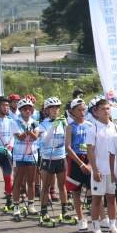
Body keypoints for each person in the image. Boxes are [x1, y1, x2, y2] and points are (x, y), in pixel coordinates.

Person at [87, 98, 117, 233]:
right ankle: (96, 227)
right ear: (96, 111)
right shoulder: (93, 127)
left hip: (112, 170)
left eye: (108, 108)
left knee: (112, 198)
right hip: (99, 170)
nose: (106, 111)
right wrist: (95, 170)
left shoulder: (116, 127)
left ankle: (112, 225)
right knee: (97, 199)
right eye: (103, 109)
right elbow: (90, 150)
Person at [63, 98, 96, 231]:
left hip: (89, 160)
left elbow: (94, 146)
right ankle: (81, 219)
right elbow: (68, 147)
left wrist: (90, 164)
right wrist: (81, 164)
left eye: (84, 109)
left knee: (94, 191)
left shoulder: (90, 125)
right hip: (76, 160)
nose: (82, 112)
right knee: (76, 191)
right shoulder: (70, 127)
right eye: (79, 110)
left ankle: (97, 219)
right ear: (72, 111)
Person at [37, 97, 70, 226]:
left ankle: (64, 211)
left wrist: (66, 125)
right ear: (47, 110)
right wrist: (52, 127)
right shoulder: (42, 124)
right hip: (47, 158)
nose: (55, 110)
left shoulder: (63, 122)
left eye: (57, 107)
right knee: (45, 187)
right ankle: (44, 213)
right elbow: (44, 141)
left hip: (60, 157)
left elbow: (67, 139)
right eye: (52, 107)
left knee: (62, 186)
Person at [11, 97, 40, 220]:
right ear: (20, 111)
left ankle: (31, 205)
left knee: (31, 181)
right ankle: (16, 207)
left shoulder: (35, 122)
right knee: (18, 182)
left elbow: (35, 137)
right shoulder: (15, 122)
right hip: (19, 155)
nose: (27, 111)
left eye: (29, 109)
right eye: (24, 109)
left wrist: (28, 131)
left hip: (32, 155)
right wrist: (29, 131)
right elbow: (20, 137)